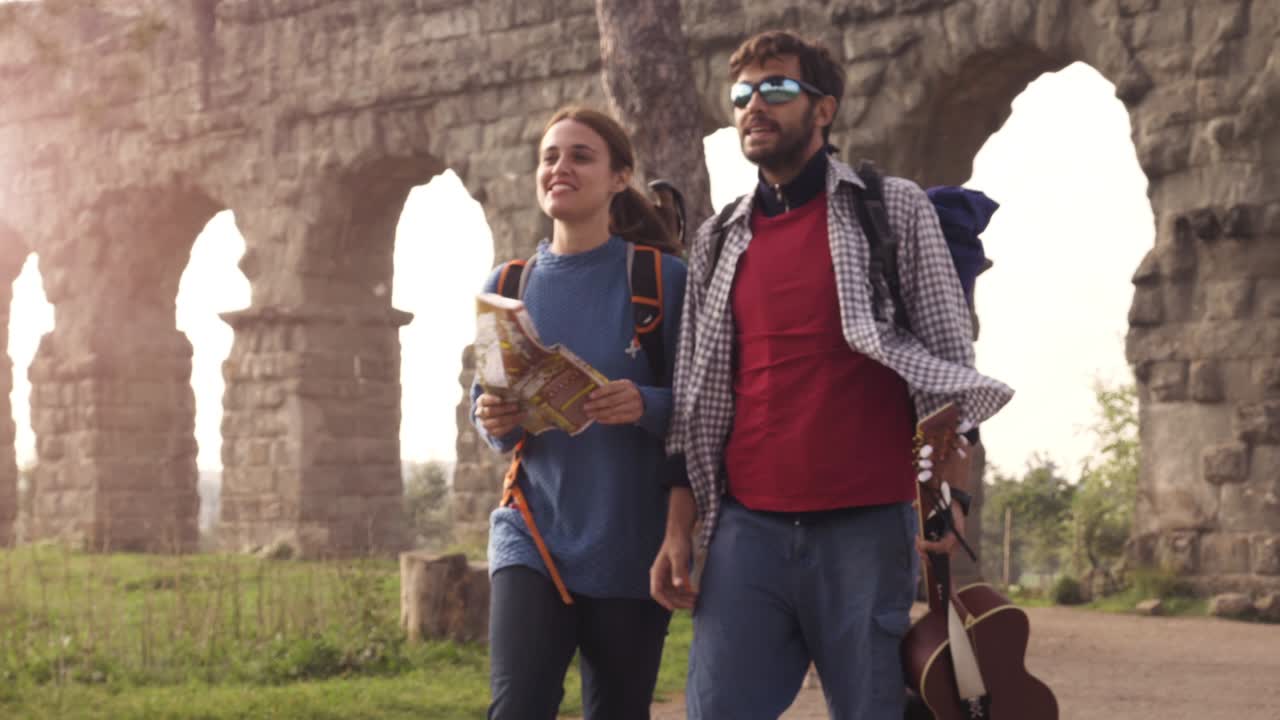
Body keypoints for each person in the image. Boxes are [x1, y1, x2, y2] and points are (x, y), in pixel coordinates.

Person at [650, 30, 1013, 719]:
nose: (755, 106)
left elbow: (948, 369)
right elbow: (695, 400)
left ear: (824, 109)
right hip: (747, 533)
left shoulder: (891, 207)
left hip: (865, 532)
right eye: (742, 95)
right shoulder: (718, 237)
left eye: (777, 89)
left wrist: (950, 498)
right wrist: (677, 531)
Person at [472, 106, 688, 720]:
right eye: (549, 157)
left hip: (629, 544)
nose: (560, 167)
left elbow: (706, 406)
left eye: (580, 156)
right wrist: (492, 415)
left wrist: (643, 403)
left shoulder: (662, 280)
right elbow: (486, 407)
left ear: (620, 177)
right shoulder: (506, 284)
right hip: (531, 531)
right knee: (518, 707)